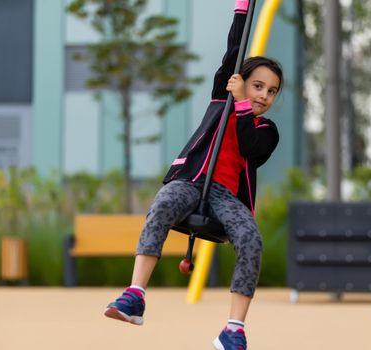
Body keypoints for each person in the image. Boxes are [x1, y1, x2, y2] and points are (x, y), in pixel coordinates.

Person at [104, 1, 283, 349]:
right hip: (193, 182)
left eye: (271, 91)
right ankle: (135, 295)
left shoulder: (267, 130)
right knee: (165, 200)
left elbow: (249, 147)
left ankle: (234, 329)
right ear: (240, 81)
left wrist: (243, 105)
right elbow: (234, 48)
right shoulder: (221, 100)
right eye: (257, 85)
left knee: (251, 239)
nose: (263, 95)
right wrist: (242, 10)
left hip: (226, 198)